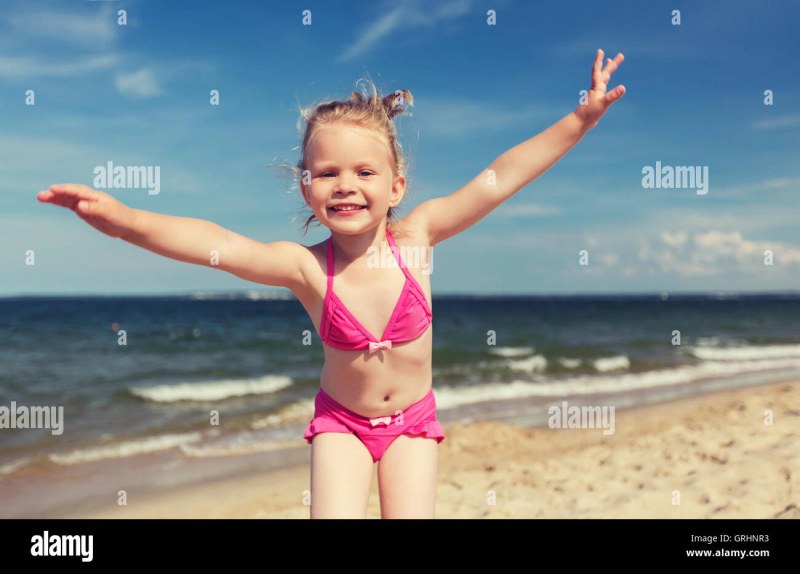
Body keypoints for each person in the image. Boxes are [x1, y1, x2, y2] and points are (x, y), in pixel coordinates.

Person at [37, 49, 625, 518]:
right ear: (306, 188)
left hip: (413, 422)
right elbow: (218, 245)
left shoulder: (417, 238)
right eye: (327, 173)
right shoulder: (306, 268)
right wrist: (125, 221)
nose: (345, 185)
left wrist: (580, 118)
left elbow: (499, 179)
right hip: (342, 423)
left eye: (365, 171)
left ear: (396, 187)